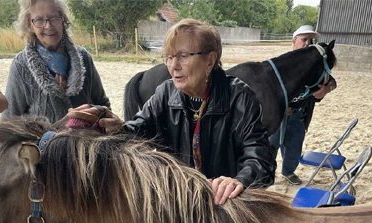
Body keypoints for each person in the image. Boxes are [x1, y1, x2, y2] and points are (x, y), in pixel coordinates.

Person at [70, 18, 276, 204]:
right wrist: (117, 128)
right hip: (182, 203)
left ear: (210, 61)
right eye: (168, 57)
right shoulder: (166, 92)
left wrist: (239, 180)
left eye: (183, 56)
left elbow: (261, 159)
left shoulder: (239, 97)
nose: (173, 66)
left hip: (224, 205)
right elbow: (138, 131)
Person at [2, 0, 115, 223]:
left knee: (92, 207)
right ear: (29, 25)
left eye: (53, 18)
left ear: (64, 20)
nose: (47, 26)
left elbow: (103, 100)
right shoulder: (21, 66)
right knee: (58, 217)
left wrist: (100, 114)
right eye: (39, 20)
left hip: (87, 153)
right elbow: (11, 121)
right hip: (47, 160)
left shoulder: (84, 58)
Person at [269, 25, 337, 185]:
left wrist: (326, 89)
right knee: (270, 146)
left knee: (294, 147)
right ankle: (267, 172)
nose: (307, 43)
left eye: (310, 40)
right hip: (277, 116)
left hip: (299, 115)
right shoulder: (281, 62)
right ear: (294, 41)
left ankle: (288, 172)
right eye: (304, 39)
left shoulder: (313, 64)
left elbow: (333, 81)